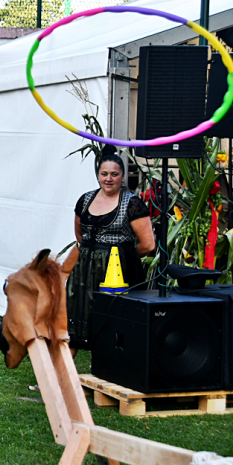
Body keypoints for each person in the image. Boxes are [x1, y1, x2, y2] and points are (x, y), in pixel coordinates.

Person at [66, 145, 156, 350]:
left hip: (117, 273)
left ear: (122, 176)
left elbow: (148, 244)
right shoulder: (85, 199)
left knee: (113, 320)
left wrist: (123, 256)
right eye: (104, 174)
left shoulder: (132, 203)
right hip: (84, 271)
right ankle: (61, 377)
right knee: (75, 318)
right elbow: (80, 235)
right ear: (98, 175)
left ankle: (109, 369)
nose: (108, 179)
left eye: (114, 174)